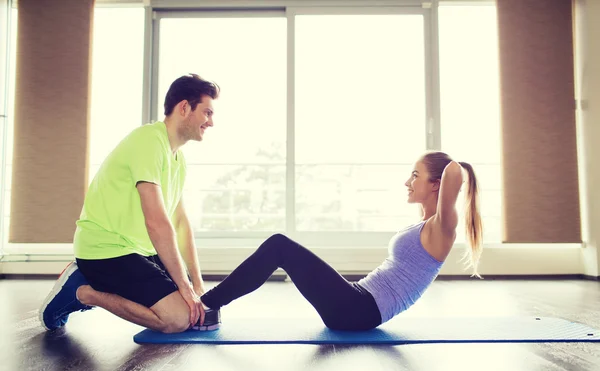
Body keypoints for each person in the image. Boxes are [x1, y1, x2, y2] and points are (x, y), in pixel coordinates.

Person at [198, 151, 483, 331]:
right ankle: (209, 305)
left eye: (415, 175)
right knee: (280, 246)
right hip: (357, 301)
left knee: (279, 245)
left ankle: (206, 306)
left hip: (359, 311)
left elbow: (455, 171)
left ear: (437, 184)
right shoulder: (425, 224)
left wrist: (454, 164)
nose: (407, 182)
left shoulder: (443, 227)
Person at [39, 73, 221, 333]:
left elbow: (180, 224)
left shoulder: (177, 160)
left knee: (190, 304)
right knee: (178, 319)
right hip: (105, 249)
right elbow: (157, 221)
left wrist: (197, 286)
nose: (211, 122)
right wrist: (185, 288)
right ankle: (83, 291)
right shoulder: (148, 141)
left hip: (137, 251)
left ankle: (96, 286)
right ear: (184, 108)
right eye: (207, 113)